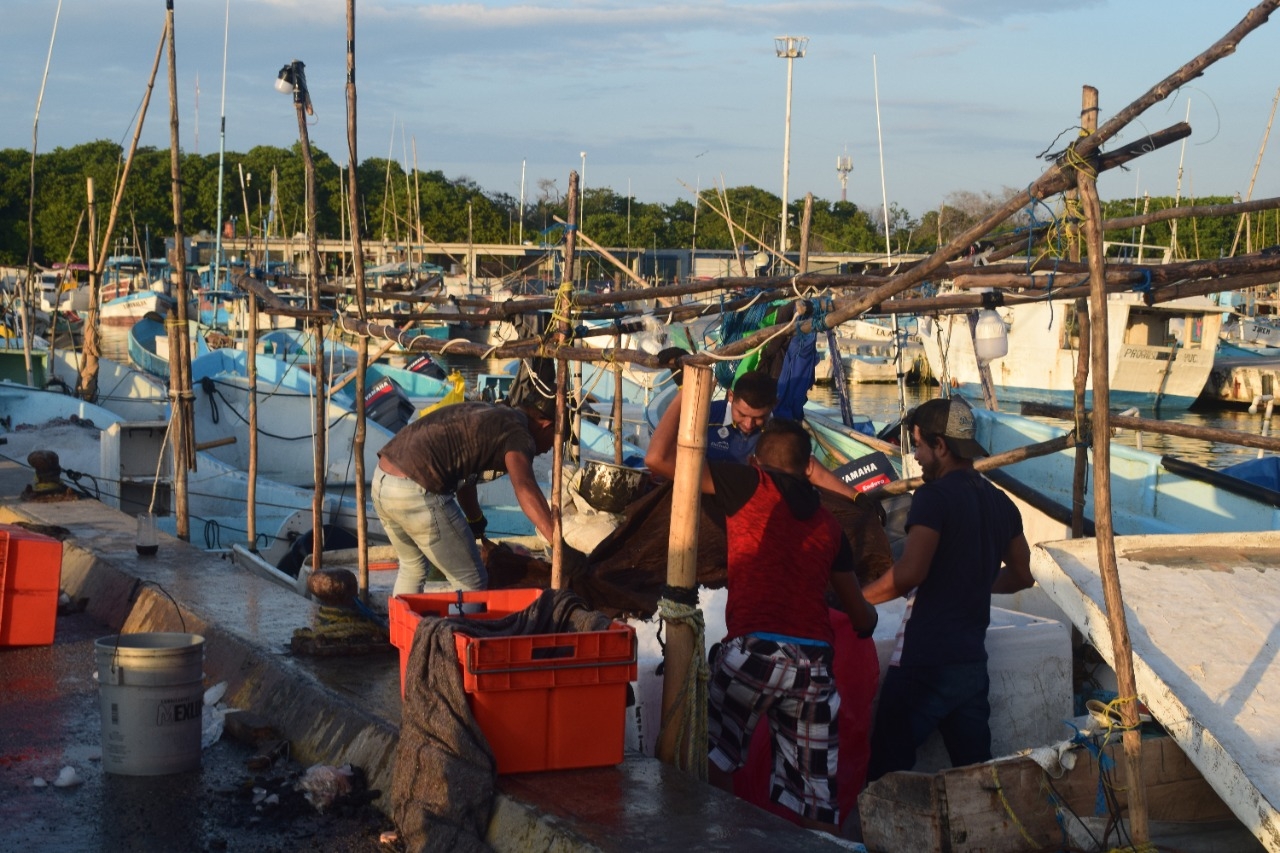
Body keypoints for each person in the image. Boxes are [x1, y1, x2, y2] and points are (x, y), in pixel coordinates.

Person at [646, 402, 879, 834]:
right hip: (814, 668)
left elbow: (658, 460)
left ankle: (722, 836)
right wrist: (868, 616)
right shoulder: (831, 527)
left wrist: (683, 396)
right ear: (810, 468)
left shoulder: (749, 483)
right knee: (816, 796)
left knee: (716, 754)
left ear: (757, 461)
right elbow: (860, 615)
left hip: (753, 653)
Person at [861, 397, 1034, 782]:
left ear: (940, 446)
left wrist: (853, 600)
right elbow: (1023, 576)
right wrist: (969, 581)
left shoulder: (933, 498)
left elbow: (909, 573)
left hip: (923, 663)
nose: (918, 457)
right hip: (971, 665)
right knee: (979, 777)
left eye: (920, 446)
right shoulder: (1000, 501)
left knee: (885, 774)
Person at [372, 397, 557, 595]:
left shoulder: (492, 414)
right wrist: (557, 542)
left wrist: (476, 521)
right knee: (473, 581)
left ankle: (399, 625)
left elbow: (465, 481)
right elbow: (525, 486)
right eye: (556, 439)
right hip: (416, 487)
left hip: (382, 479)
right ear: (546, 425)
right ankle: (468, 626)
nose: (551, 448)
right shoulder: (520, 434)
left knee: (413, 568)